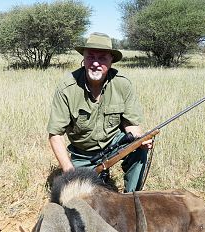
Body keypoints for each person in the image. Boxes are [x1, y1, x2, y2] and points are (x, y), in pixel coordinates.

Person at [47, 32, 152, 192]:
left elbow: (131, 125)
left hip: (114, 144)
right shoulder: (66, 87)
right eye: (91, 57)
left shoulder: (123, 84)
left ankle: (132, 197)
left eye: (102, 58)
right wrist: (69, 171)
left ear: (111, 61)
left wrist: (140, 140)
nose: (95, 63)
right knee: (77, 197)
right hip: (83, 153)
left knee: (139, 149)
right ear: (84, 58)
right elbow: (55, 135)